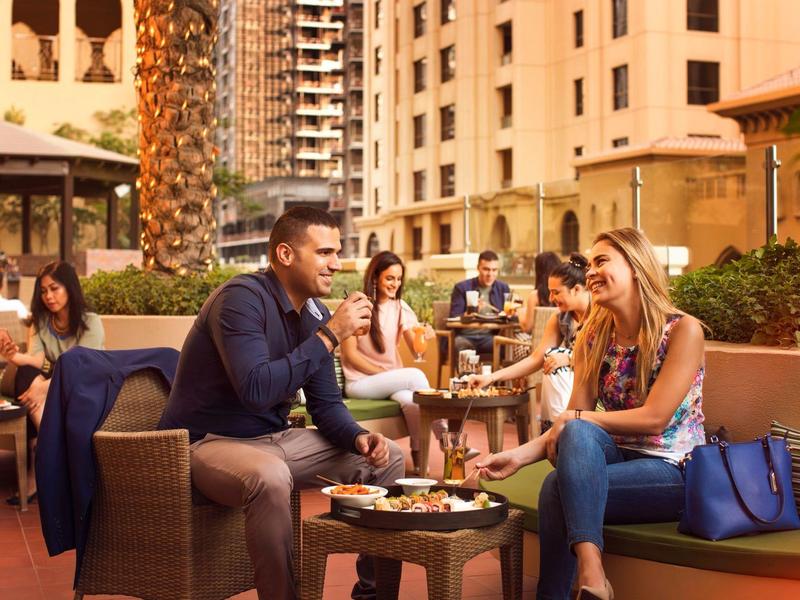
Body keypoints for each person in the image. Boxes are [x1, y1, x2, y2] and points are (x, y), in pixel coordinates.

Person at [158, 207, 405, 600]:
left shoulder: (314, 313)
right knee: (270, 476)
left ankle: (374, 595)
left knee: (389, 458)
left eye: (337, 253)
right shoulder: (241, 300)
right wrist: (330, 335)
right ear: (285, 254)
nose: (336, 264)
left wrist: (357, 437)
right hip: (209, 443)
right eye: (324, 252)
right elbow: (256, 390)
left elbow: (326, 406)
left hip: (276, 440)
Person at [476, 228, 706, 600]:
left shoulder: (682, 331)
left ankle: (583, 578)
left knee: (557, 485)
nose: (590, 272)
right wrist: (517, 456)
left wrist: (577, 419)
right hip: (618, 457)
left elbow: (655, 418)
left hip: (674, 468)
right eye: (590, 265)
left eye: (601, 261)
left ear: (635, 267)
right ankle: (592, 574)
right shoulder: (594, 337)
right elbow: (574, 418)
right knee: (578, 431)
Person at [0, 260, 105, 504]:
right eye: (43, 291)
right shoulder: (42, 321)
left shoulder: (91, 322)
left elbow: (85, 369)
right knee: (25, 371)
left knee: (35, 386)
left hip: (83, 387)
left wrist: (43, 387)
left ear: (69, 287)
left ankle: (38, 468)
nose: (48, 296)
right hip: (50, 392)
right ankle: (52, 444)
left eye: (54, 288)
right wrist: (12, 356)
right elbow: (37, 360)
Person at [340, 251, 447, 473]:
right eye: (390, 278)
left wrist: (425, 336)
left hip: (388, 381)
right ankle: (447, 439)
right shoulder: (357, 306)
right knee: (415, 376)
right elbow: (350, 356)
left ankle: (419, 457)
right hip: (360, 383)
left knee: (412, 401)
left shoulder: (400, 307)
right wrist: (381, 371)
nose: (395, 284)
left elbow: (416, 349)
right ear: (375, 277)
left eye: (398, 279)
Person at [469, 253, 591, 433]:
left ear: (577, 289)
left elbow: (608, 357)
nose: (551, 298)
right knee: (551, 357)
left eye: (556, 292)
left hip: (595, 386)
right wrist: (491, 378)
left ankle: (557, 431)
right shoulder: (560, 318)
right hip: (570, 386)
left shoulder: (602, 315)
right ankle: (555, 431)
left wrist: (570, 358)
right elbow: (535, 359)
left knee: (557, 357)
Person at [449, 250, 510, 354]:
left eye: (494, 270)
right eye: (486, 269)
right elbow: (454, 318)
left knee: (508, 348)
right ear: (478, 268)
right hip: (465, 336)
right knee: (460, 346)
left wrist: (511, 314)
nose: (490, 274)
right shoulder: (462, 288)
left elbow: (507, 315)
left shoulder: (502, 288)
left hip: (490, 338)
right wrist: (471, 312)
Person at [518, 251, 560, 333]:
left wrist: (519, 313)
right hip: (560, 340)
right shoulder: (563, 295)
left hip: (538, 340)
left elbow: (527, 328)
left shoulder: (535, 296)